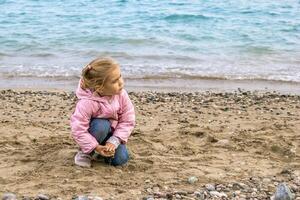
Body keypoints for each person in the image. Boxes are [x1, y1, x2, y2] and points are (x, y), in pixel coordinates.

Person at [70, 57, 135, 167]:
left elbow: (128, 120)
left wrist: (114, 140)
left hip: (113, 134)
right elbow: (78, 129)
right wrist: (95, 146)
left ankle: (103, 151)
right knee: (102, 125)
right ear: (99, 88)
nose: (121, 82)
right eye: (114, 81)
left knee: (121, 160)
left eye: (120, 77)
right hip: (94, 132)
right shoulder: (87, 103)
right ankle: (86, 152)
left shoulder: (121, 95)